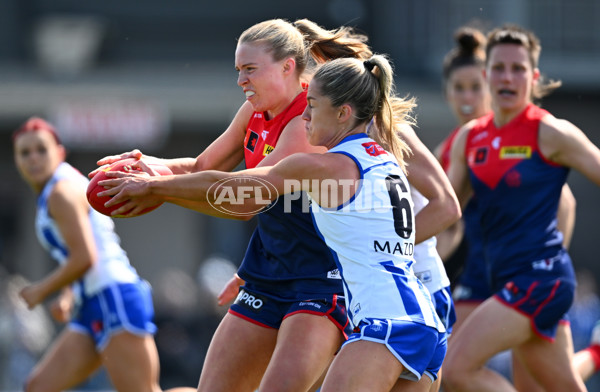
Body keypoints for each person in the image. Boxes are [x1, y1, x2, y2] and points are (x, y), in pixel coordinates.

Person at [96, 54, 453, 392]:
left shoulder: (325, 167)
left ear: (344, 113)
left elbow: (235, 190)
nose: (305, 116)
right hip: (424, 323)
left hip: (383, 327)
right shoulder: (385, 156)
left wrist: (156, 187)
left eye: (312, 106)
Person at [442, 23, 600, 392]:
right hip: (496, 280)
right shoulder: (470, 138)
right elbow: (446, 211)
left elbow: (574, 197)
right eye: (499, 68)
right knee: (557, 386)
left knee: (455, 369)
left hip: (539, 279)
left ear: (534, 77)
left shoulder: (550, 132)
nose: (507, 77)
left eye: (518, 68)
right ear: (486, 75)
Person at [12, 117, 195, 392]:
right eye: (25, 153)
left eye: (41, 149)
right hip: (92, 302)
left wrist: (41, 290)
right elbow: (78, 257)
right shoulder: (57, 188)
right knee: (38, 386)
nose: (33, 158)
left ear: (60, 152)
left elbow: (85, 257)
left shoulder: (60, 192)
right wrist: (67, 295)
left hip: (113, 296)